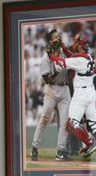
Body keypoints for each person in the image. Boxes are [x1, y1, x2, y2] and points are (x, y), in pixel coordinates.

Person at [50, 32, 96, 159]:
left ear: (80, 44)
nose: (75, 44)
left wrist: (51, 54)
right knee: (94, 125)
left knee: (71, 124)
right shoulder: (88, 56)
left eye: (77, 42)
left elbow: (62, 62)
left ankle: (90, 142)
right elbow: (73, 59)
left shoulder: (80, 59)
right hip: (90, 93)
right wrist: (64, 48)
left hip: (81, 94)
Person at [30, 29, 72, 161]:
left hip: (65, 89)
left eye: (59, 36)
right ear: (50, 41)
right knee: (45, 119)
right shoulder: (46, 56)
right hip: (51, 90)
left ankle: (61, 150)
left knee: (65, 122)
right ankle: (34, 147)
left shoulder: (65, 53)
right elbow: (47, 79)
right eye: (55, 37)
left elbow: (73, 60)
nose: (58, 38)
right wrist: (55, 72)